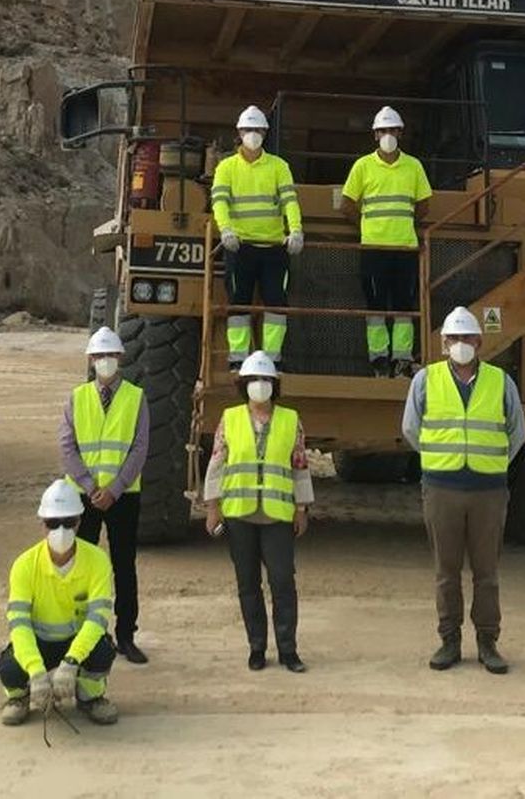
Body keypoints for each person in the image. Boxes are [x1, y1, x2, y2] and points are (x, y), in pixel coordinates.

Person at [402, 306, 525, 674]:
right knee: (446, 572)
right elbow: (411, 428)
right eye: (453, 338)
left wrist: (493, 462)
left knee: (487, 573)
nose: (460, 344)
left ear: (479, 342)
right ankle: (449, 640)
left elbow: (517, 432)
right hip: (442, 489)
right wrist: (439, 459)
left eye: (467, 338)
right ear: (443, 344)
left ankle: (488, 641)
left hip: (488, 491)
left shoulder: (501, 381)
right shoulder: (425, 380)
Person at [202, 351, 313, 673]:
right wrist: (213, 507)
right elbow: (217, 464)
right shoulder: (230, 418)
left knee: (282, 583)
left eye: (266, 380)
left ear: (275, 385)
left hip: (277, 516)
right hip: (240, 515)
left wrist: (301, 508)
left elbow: (300, 466)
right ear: (244, 385)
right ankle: (257, 648)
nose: (260, 385)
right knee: (248, 585)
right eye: (254, 380)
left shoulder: (290, 420)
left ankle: (288, 650)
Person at [60, 327, 151, 665]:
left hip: (123, 496)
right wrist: (89, 485)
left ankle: (126, 636)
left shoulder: (136, 397)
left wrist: (114, 489)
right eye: (99, 355)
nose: (105, 360)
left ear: (120, 357)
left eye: (110, 355)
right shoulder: (77, 397)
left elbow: (140, 448)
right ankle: (83, 635)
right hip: (83, 497)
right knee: (81, 567)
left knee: (124, 566)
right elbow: (67, 446)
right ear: (90, 359)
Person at [0, 478, 119, 727]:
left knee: (103, 652)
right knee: (9, 668)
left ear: (79, 522)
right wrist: (35, 670)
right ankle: (19, 698)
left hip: (77, 641)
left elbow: (98, 619)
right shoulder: (24, 565)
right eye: (53, 523)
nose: (60, 530)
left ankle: (90, 697)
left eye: (68, 522)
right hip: (39, 642)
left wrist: (72, 661)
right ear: (42, 524)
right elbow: (19, 625)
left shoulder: (97, 560)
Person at [342, 105, 433, 378]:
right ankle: (379, 359)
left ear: (400, 133)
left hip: (405, 248)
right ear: (375, 135)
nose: (388, 135)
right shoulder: (363, 166)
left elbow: (424, 204)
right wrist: (367, 227)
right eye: (383, 131)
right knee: (376, 306)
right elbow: (347, 204)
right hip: (374, 248)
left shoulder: (413, 166)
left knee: (405, 306)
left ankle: (402, 359)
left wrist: (404, 225)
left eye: (392, 130)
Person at [211, 105, 304, 370]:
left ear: (265, 133)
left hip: (274, 248)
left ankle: (273, 359)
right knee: (238, 304)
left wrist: (296, 230)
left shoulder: (279, 166)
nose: (253, 134)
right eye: (248, 130)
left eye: (258, 130)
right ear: (239, 133)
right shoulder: (226, 167)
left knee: (276, 305)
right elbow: (219, 202)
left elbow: (290, 201)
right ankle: (238, 359)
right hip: (240, 247)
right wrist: (225, 230)